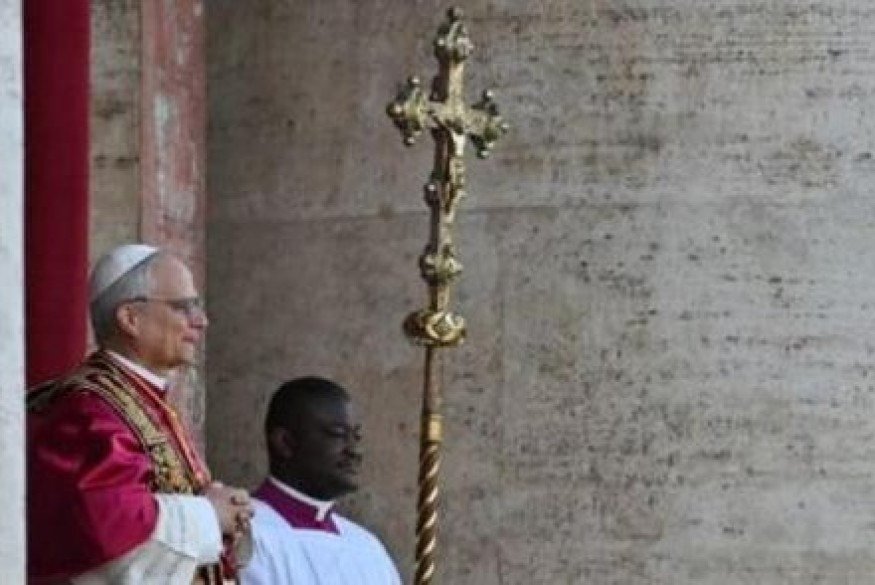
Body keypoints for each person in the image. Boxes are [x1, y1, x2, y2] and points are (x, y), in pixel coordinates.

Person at [27, 243, 253, 584]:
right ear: (131, 318)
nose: (201, 321)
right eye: (184, 307)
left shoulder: (144, 399)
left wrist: (222, 512)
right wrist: (209, 516)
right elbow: (108, 534)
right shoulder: (89, 411)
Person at [240, 377, 401, 585]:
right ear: (285, 442)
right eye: (338, 435)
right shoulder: (245, 535)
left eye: (356, 437)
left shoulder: (367, 547)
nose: (354, 450)